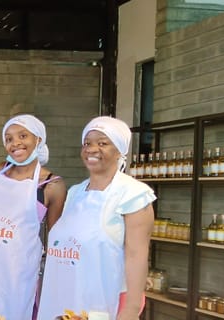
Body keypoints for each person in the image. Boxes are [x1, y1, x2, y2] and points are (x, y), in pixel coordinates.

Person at [37, 116, 155, 320]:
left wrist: (131, 309)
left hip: (99, 302)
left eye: (102, 143)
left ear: (119, 150)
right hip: (60, 298)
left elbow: (137, 256)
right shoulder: (75, 192)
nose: (91, 149)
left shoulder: (133, 194)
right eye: (87, 143)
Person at [0, 114, 66, 320]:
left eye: (23, 136)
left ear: (38, 140)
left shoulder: (52, 185)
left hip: (15, 271)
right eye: (9, 138)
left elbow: (57, 237)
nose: (15, 143)